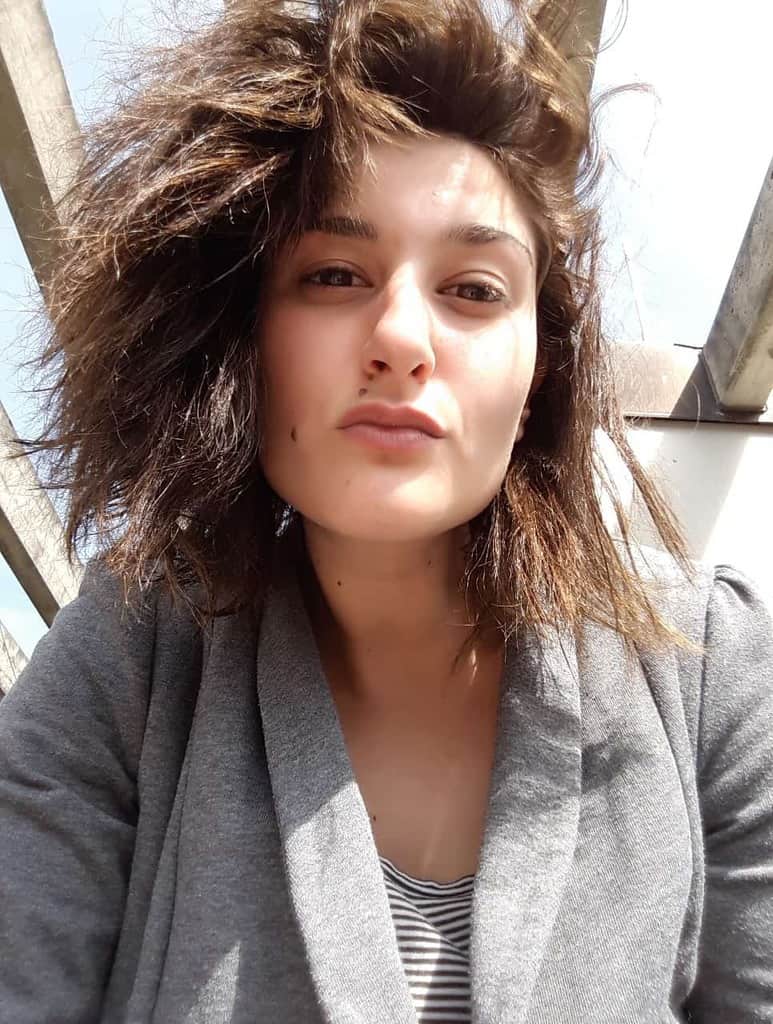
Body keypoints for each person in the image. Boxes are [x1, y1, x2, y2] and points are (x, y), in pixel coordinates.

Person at [1, 1, 771, 1021]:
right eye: (332, 274)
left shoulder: (713, 669)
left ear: (536, 375)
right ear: (241, 342)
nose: (402, 337)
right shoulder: (132, 653)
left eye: (474, 290)